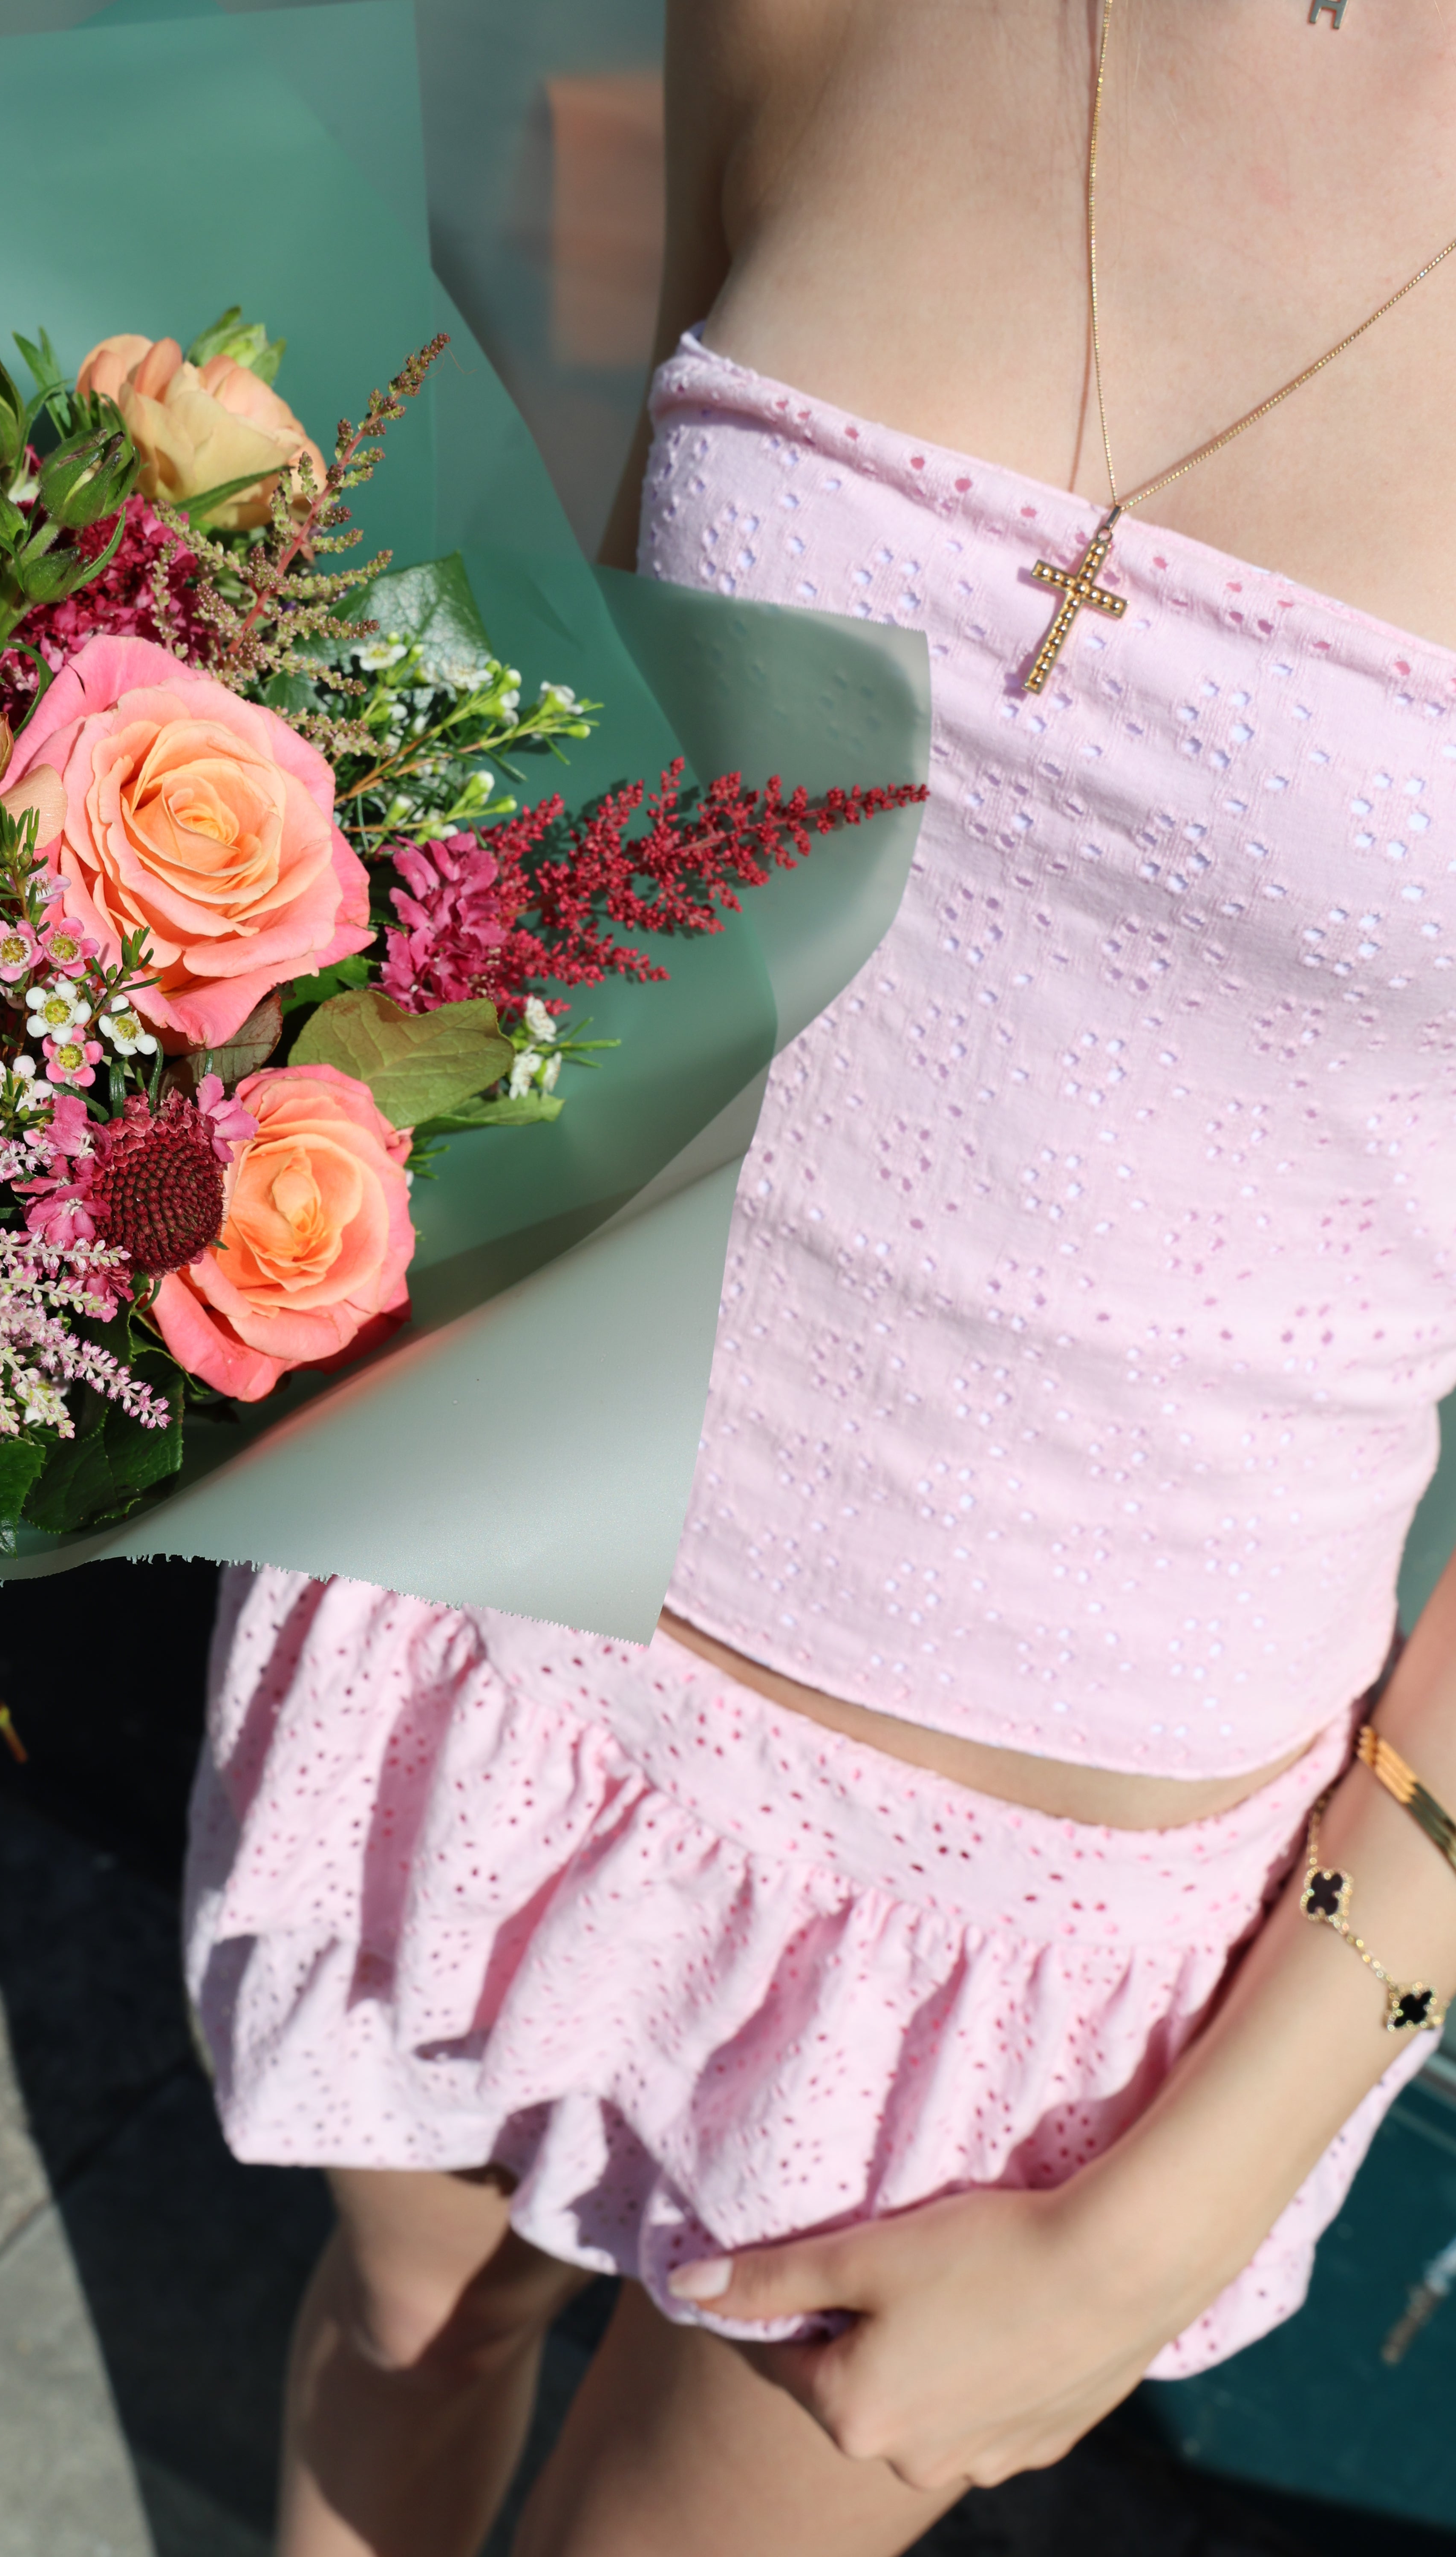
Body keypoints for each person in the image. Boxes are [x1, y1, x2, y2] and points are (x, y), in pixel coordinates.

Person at [183, 5, 1456, 2551]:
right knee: (400, 2334)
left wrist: (1173, 2207)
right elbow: (560, 721)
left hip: (1027, 1973)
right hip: (482, 1658)